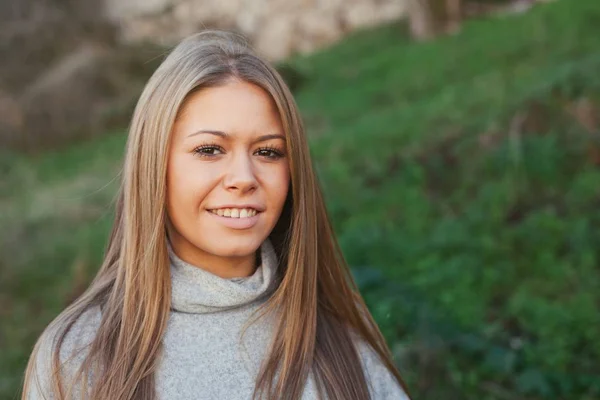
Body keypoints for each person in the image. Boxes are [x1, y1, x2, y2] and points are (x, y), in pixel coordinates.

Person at [21, 30, 411, 400]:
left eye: (268, 152)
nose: (243, 178)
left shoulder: (340, 342)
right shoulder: (77, 356)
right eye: (209, 150)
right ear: (153, 165)